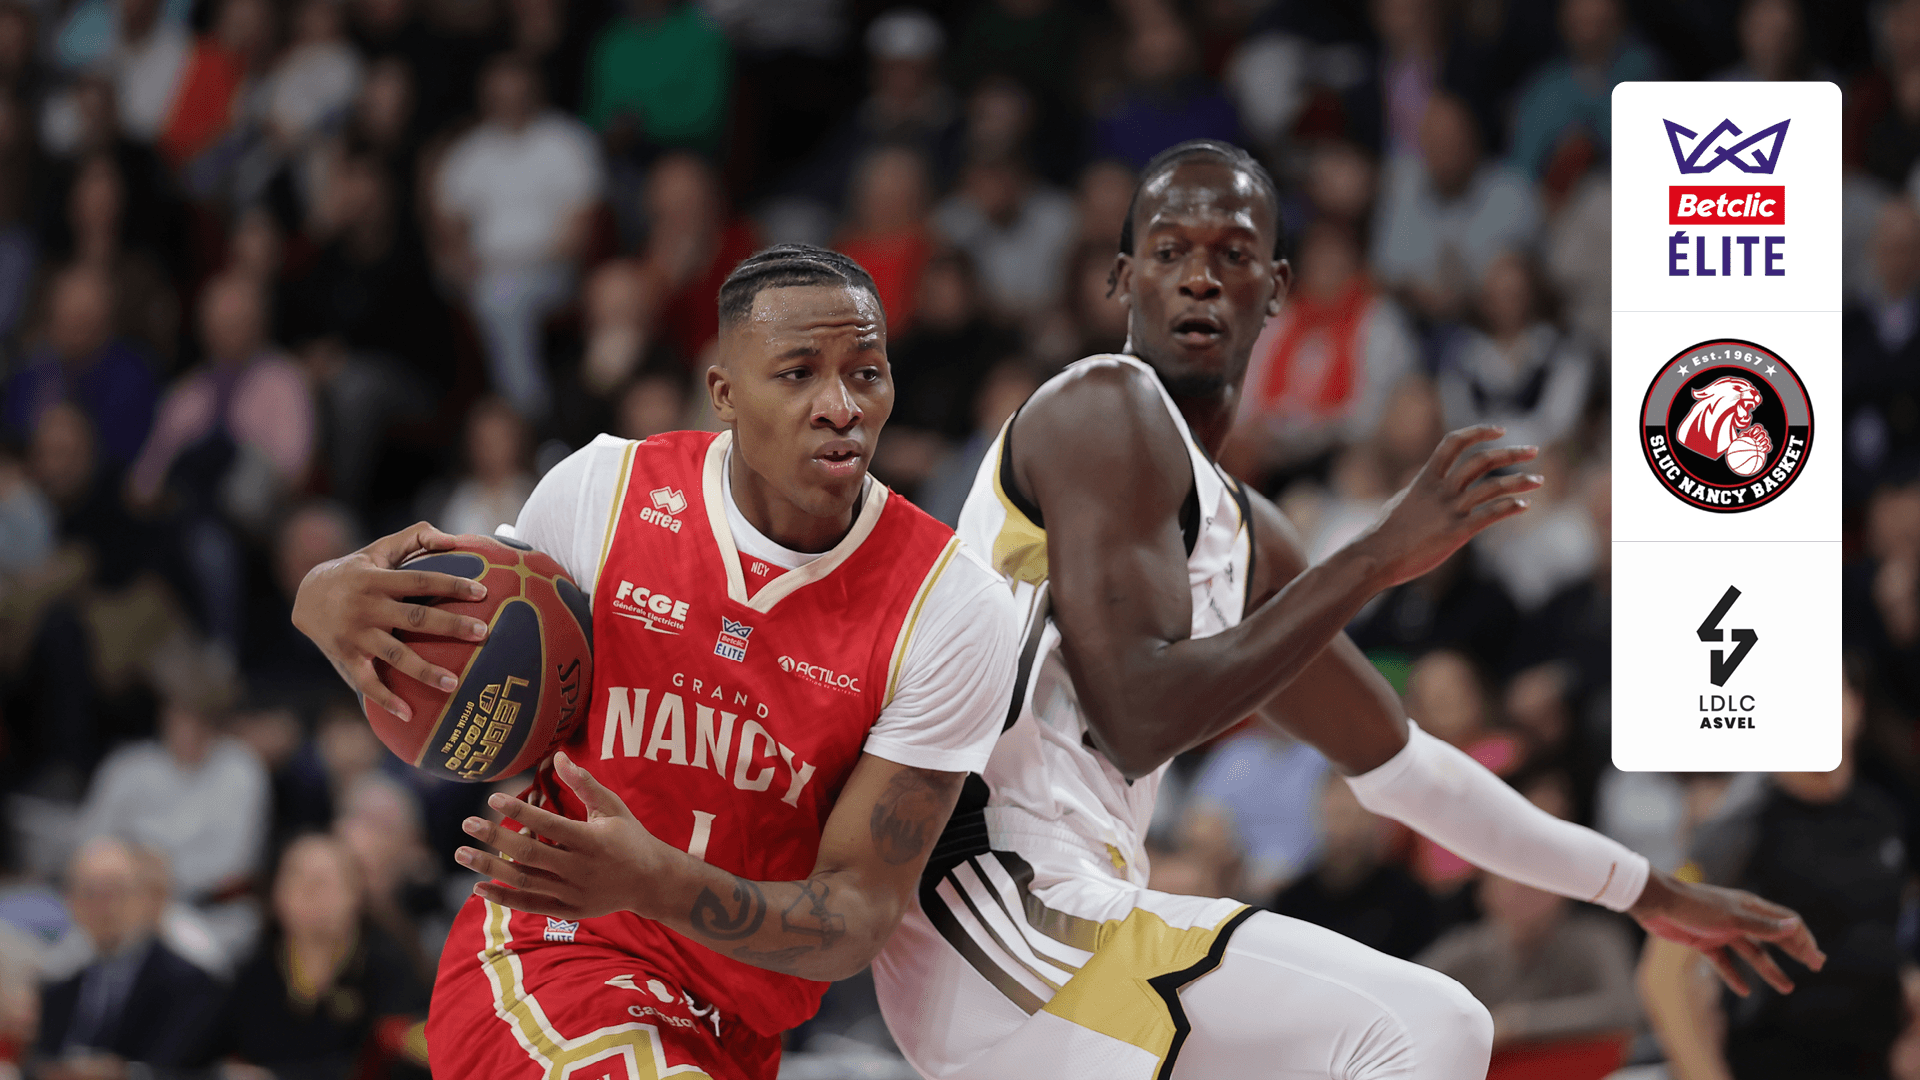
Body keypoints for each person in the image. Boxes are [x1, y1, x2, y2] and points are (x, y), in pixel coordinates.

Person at [870, 139, 1825, 1080]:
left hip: (1059, 925)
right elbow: (1138, 713)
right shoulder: (1101, 405)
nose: (1200, 277)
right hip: (1001, 904)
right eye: (1169, 252)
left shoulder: (1248, 536)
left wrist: (1647, 893)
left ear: (1276, 288)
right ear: (1121, 279)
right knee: (1428, 1028)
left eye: (1232, 253)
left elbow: (1409, 772)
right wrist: (1374, 558)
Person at [291, 245, 1020, 1079]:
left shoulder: (950, 608)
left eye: (867, 374)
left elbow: (855, 917)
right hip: (550, 952)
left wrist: (656, 882)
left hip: (733, 1024)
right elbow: (460, 644)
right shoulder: (602, 492)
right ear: (724, 394)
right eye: (798, 374)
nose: (840, 406)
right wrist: (325, 598)